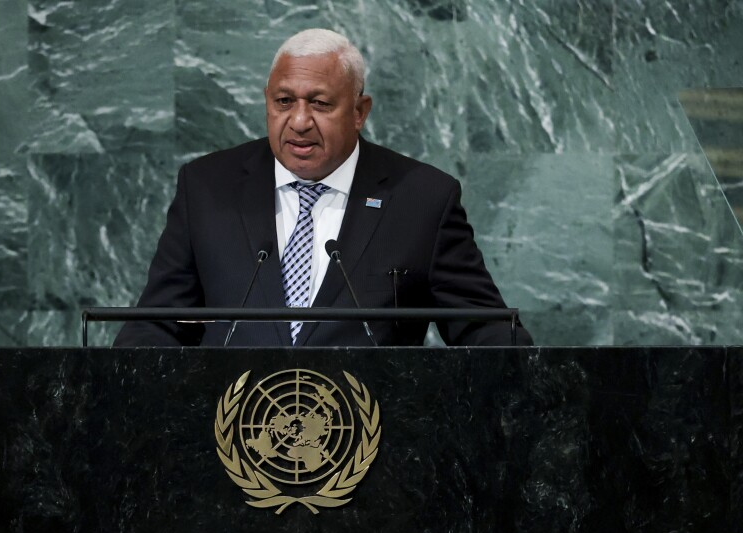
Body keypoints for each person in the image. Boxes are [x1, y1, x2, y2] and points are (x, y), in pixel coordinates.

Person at [114, 28, 532, 347]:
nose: (298, 121)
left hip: (373, 444)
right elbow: (155, 328)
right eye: (283, 102)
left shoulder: (422, 199)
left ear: (358, 112)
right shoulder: (207, 187)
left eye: (319, 103)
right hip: (230, 440)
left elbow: (486, 333)